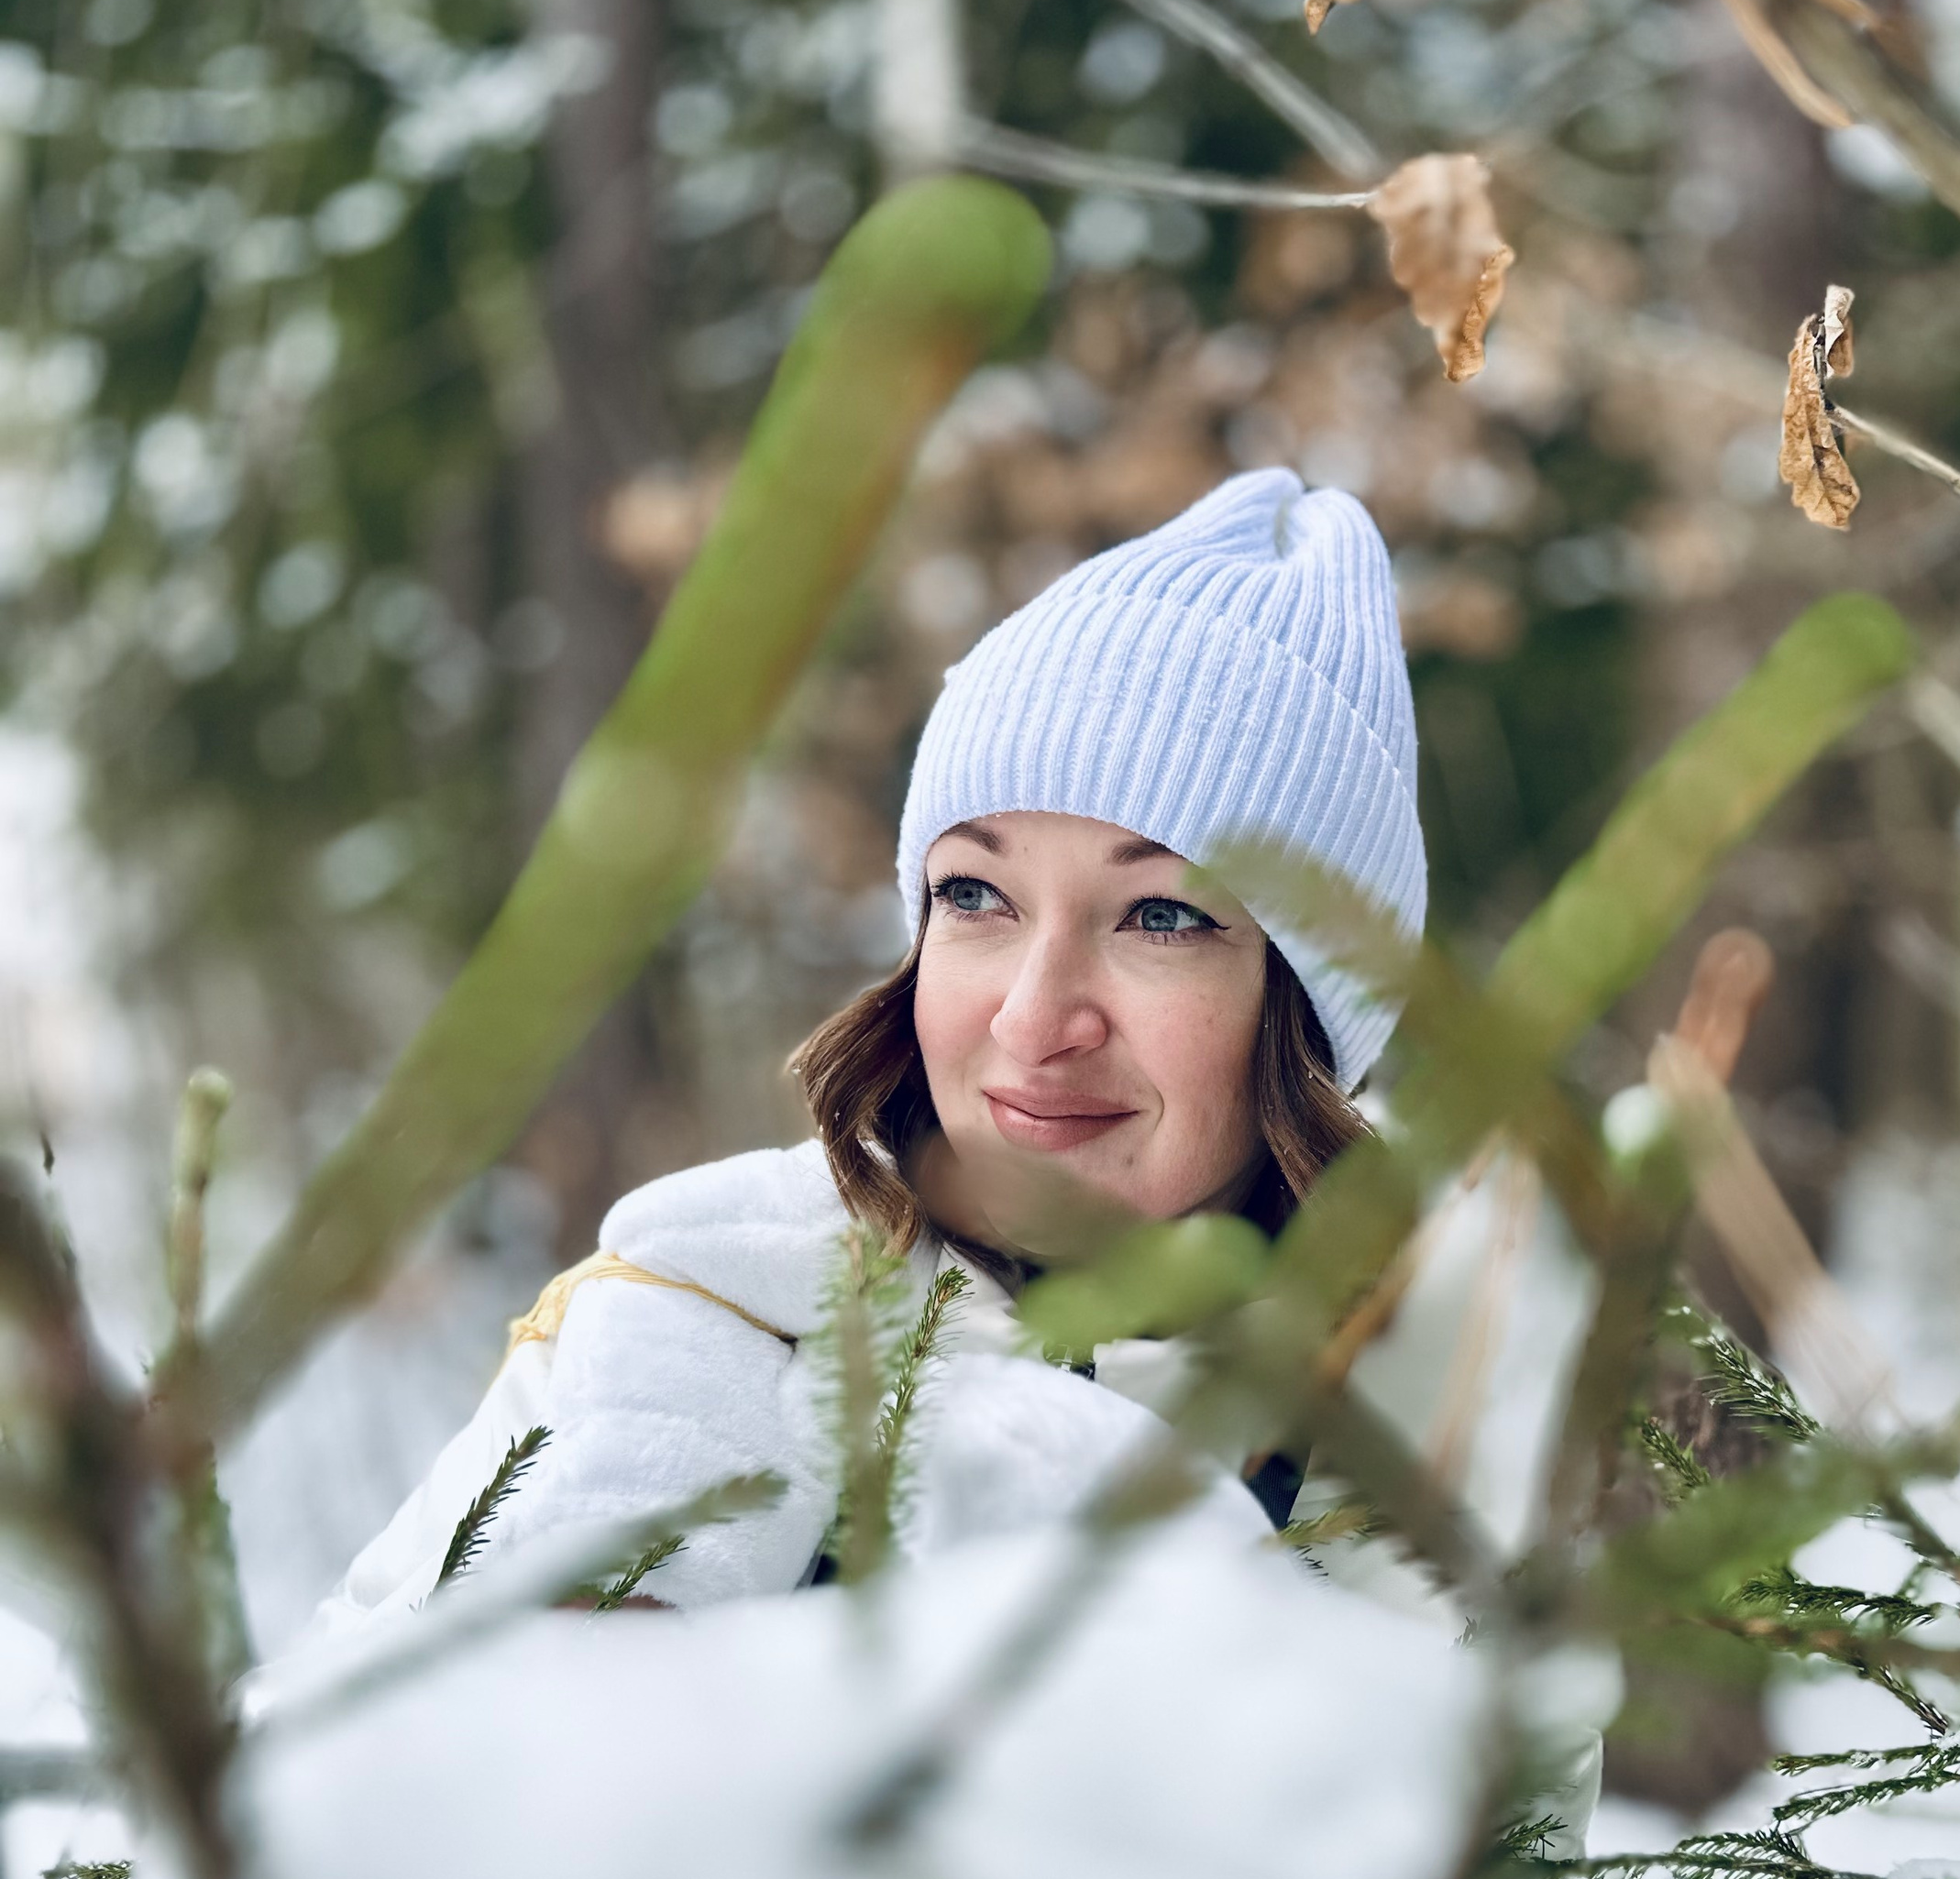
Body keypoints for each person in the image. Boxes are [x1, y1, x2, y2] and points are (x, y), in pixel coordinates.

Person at [305, 467, 1426, 1634]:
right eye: (975, 894)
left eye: (1161, 915)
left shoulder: (1457, 1433)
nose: (1032, 1019)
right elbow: (320, 1729)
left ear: (1309, 1007)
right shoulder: (680, 1319)